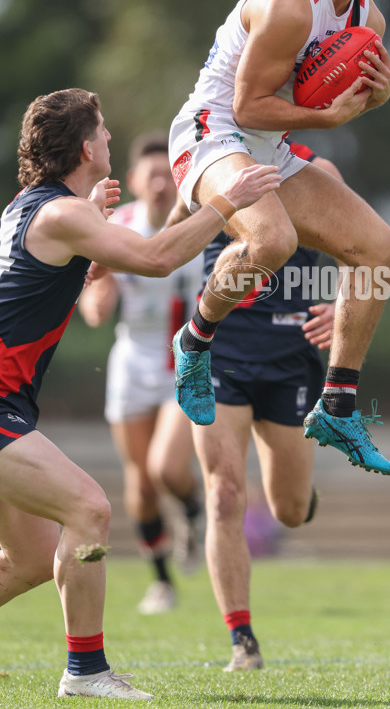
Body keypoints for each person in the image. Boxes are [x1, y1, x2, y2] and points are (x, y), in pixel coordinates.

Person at [0, 88, 280, 700]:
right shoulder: (62, 215)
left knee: (25, 560)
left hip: (10, 404)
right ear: (83, 147)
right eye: (101, 132)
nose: (109, 140)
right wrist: (229, 201)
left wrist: (90, 214)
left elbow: (66, 260)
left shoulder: (35, 206)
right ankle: (87, 673)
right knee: (91, 511)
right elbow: (155, 259)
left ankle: (87, 670)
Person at [169, 0, 390, 475]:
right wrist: (326, 118)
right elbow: (248, 107)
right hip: (210, 133)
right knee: (272, 241)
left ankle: (338, 404)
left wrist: (379, 95)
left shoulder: (366, 15)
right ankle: (195, 342)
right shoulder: (289, 1)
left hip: (265, 146)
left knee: (380, 251)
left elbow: (341, 96)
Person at [164, 141, 338, 671]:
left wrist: (342, 303)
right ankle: (243, 639)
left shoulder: (318, 171)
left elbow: (366, 251)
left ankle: (295, 488)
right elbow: (168, 241)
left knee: (289, 510)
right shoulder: (209, 168)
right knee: (224, 493)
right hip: (222, 350)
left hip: (291, 357)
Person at [78, 132, 205, 617]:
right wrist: (97, 301)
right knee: (140, 485)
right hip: (132, 359)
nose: (159, 183)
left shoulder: (198, 222)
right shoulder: (117, 225)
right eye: (149, 174)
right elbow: (93, 295)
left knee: (166, 468)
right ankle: (161, 583)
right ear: (132, 181)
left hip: (183, 360)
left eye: (166, 174)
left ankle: (192, 516)